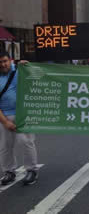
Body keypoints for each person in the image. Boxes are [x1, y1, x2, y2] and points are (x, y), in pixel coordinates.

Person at [0, 52, 39, 185]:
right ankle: (9, 171)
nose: (3, 64)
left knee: (26, 141)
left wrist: (29, 67)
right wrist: (5, 122)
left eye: (5, 61)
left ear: (10, 60)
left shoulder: (19, 70)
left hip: (23, 113)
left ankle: (31, 170)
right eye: (0, 62)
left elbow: (39, 78)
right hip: (5, 116)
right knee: (5, 146)